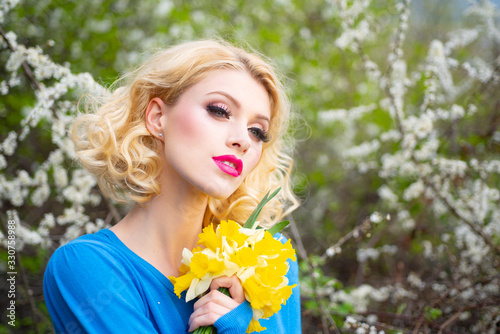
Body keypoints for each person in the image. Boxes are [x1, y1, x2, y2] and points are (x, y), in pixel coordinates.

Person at [43, 39, 301, 333]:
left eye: (257, 131)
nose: (242, 139)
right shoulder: (86, 267)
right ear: (157, 117)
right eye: (219, 110)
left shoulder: (270, 263)